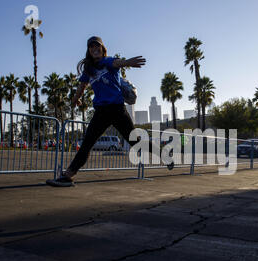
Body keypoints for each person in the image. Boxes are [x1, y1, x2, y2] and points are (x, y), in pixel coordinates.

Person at [47, 36, 172, 187]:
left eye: (97, 47)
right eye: (91, 47)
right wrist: (75, 100)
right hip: (101, 112)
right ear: (89, 50)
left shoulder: (107, 61)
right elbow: (81, 87)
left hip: (117, 110)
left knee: (135, 142)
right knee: (87, 143)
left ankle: (164, 155)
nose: (95, 49)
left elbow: (116, 62)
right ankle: (68, 176)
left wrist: (127, 63)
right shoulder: (89, 69)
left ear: (102, 49)